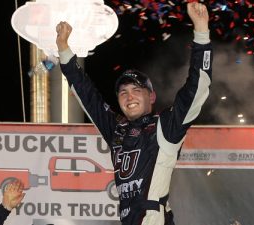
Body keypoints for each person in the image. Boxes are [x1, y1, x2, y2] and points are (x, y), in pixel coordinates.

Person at [55, 1, 212, 225]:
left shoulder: (166, 126)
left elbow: (197, 88)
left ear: (151, 97)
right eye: (123, 92)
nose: (129, 97)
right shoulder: (117, 130)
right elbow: (87, 96)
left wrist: (202, 33)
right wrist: (63, 49)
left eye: (137, 91)